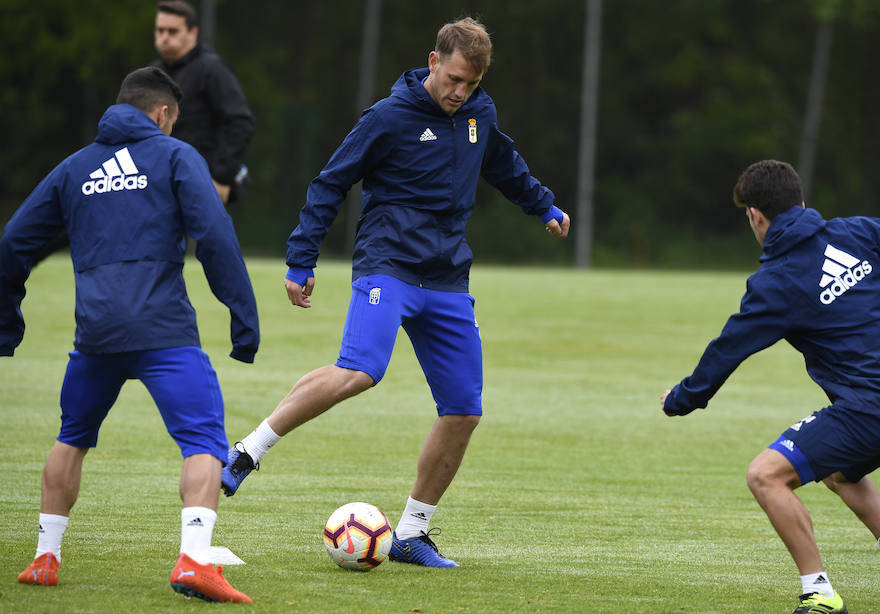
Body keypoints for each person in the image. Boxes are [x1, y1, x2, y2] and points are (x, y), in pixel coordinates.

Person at [221, 16, 570, 568]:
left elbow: (502, 163)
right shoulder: (388, 117)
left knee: (463, 409)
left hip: (449, 275)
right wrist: (301, 256)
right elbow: (330, 181)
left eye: (471, 85)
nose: (460, 93)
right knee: (360, 370)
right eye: (454, 78)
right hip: (388, 263)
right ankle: (247, 450)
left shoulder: (480, 113)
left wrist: (544, 205)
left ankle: (412, 532)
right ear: (434, 61)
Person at [1, 66, 259, 603]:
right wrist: (242, 316)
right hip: (163, 331)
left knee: (72, 436)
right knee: (204, 442)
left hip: (95, 336)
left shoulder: (73, 170)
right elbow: (214, 234)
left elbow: (12, 246)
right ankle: (194, 561)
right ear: (163, 114)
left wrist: (8, 322)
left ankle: (45, 557)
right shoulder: (175, 156)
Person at [661, 159, 880, 613]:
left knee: (766, 475)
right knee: (839, 470)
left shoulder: (776, 282)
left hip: (874, 410)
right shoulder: (857, 233)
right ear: (802, 202)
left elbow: (727, 350)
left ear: (755, 215)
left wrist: (682, 398)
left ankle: (820, 594)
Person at [153, 0, 254, 205]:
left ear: (193, 33)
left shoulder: (211, 69)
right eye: (160, 30)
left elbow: (241, 122)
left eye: (173, 31)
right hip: (160, 186)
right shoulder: (153, 74)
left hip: (201, 186)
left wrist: (221, 178)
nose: (164, 37)